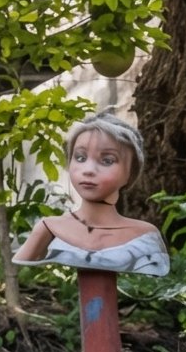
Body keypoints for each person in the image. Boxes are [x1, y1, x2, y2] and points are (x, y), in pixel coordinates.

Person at [15, 112, 170, 277]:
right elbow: (20, 274)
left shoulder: (145, 236)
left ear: (130, 174)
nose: (88, 170)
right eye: (80, 158)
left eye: (107, 161)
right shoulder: (49, 227)